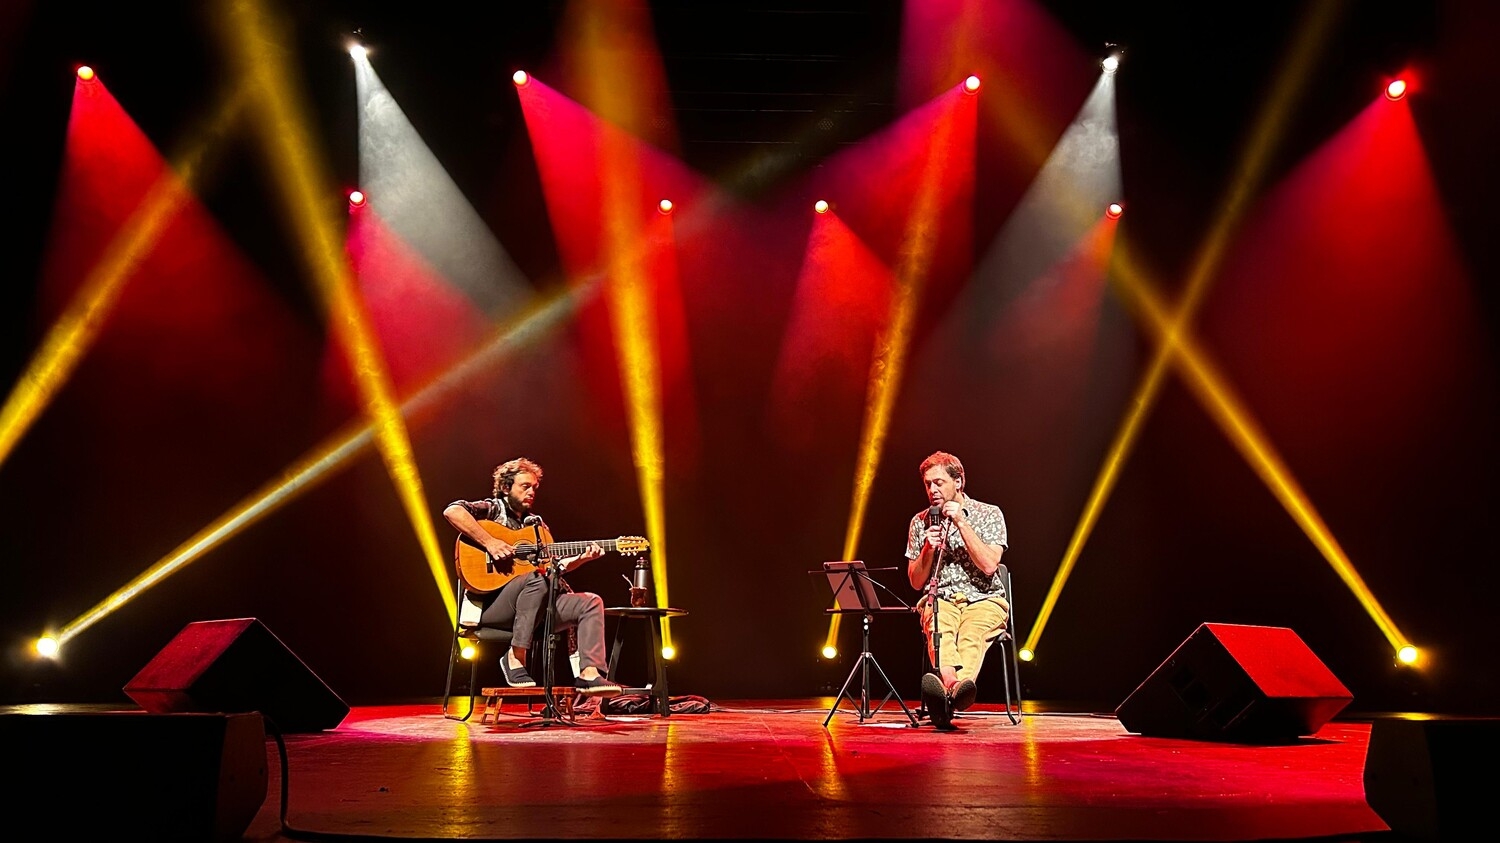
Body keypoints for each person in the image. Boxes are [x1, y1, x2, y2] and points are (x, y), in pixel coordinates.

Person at [443, 457, 622, 696]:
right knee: (536, 579)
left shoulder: (536, 527)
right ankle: (515, 657)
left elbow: (553, 568)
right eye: (524, 486)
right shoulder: (492, 509)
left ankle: (589, 673)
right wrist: (490, 542)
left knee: (590, 602)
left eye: (534, 488)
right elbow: (452, 511)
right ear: (506, 488)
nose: (531, 492)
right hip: (492, 606)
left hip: (533, 608)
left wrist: (583, 558)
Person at [905, 451, 1008, 728]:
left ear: (958, 482)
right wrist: (928, 547)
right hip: (941, 597)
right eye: (928, 484)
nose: (932, 490)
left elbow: (989, 565)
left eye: (939, 483)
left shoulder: (989, 514)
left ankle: (945, 692)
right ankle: (954, 688)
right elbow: (916, 582)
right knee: (940, 627)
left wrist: (961, 523)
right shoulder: (920, 522)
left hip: (984, 598)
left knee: (972, 635)